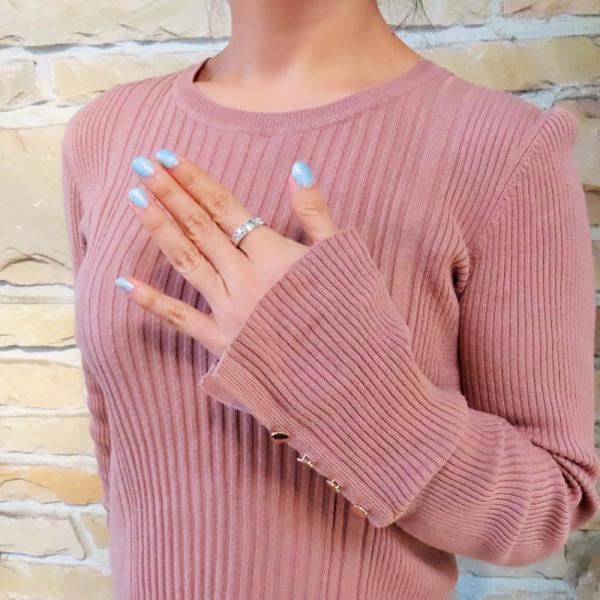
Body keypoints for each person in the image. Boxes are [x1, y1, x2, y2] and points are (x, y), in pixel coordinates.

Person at [61, 0, 600, 598]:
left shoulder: (503, 148)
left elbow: (548, 507)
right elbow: (120, 455)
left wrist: (324, 372)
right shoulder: (106, 130)